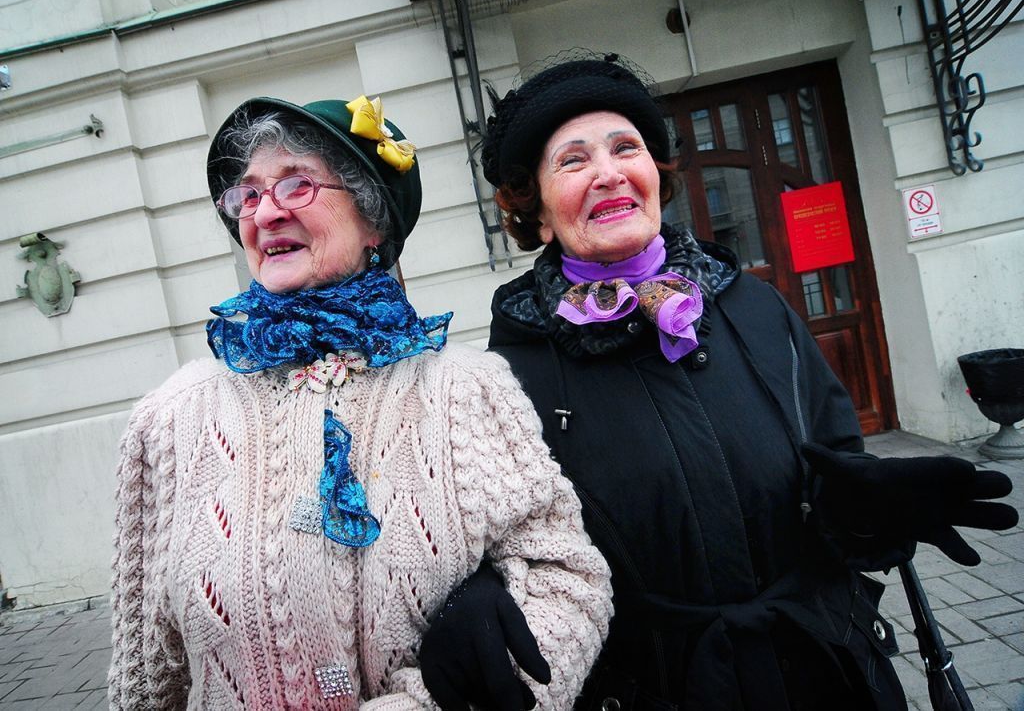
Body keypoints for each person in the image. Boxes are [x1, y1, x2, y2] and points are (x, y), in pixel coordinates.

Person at [417, 53, 1019, 711]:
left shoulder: (755, 306)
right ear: (534, 211)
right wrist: (479, 594)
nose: (609, 172)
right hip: (655, 691)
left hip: (825, 669)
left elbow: (830, 460)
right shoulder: (507, 371)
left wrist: (865, 510)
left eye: (626, 148)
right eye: (573, 160)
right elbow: (509, 540)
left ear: (655, 173)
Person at [107, 93, 613, 709]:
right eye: (249, 195)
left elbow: (567, 580)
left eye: (296, 185)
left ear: (374, 221)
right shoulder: (169, 420)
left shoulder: (468, 388)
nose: (266, 213)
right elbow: (145, 679)